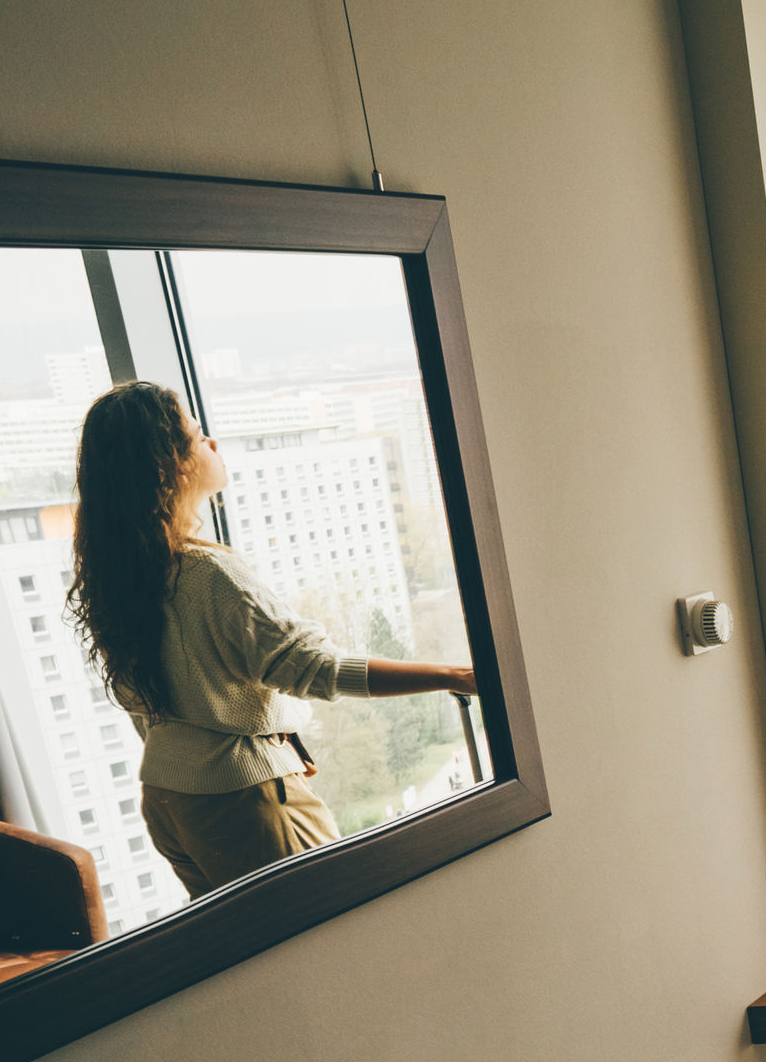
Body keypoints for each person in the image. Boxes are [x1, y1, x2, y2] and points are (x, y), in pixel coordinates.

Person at [64, 381, 476, 899]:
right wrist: (456, 676)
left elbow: (145, 703)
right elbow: (315, 667)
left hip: (168, 798)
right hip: (242, 800)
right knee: (333, 937)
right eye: (198, 436)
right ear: (170, 465)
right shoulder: (207, 573)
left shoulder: (115, 574)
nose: (213, 443)